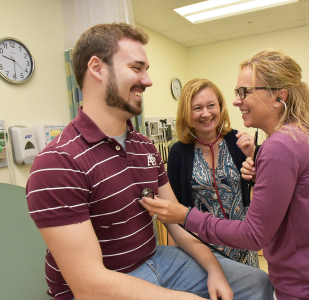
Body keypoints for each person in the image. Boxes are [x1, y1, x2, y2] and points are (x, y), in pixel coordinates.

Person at [26, 23, 273, 300]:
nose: (148, 80)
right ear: (97, 68)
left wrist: (214, 268)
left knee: (256, 283)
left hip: (157, 259)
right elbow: (89, 286)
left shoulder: (144, 147)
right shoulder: (58, 163)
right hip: (102, 283)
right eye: (136, 68)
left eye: (147, 70)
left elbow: (177, 219)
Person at [140, 50, 309, 300]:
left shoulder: (279, 146)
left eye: (245, 92)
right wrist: (262, 175)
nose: (236, 101)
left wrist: (185, 216)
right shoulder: (301, 134)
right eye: (236, 92)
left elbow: (254, 235)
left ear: (278, 97)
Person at [168, 78, 259, 267]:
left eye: (211, 105)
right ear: (186, 112)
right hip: (202, 250)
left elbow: (262, 186)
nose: (206, 114)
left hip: (242, 243)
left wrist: (253, 155)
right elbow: (174, 208)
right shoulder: (179, 152)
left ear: (220, 107)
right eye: (197, 108)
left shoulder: (239, 142)